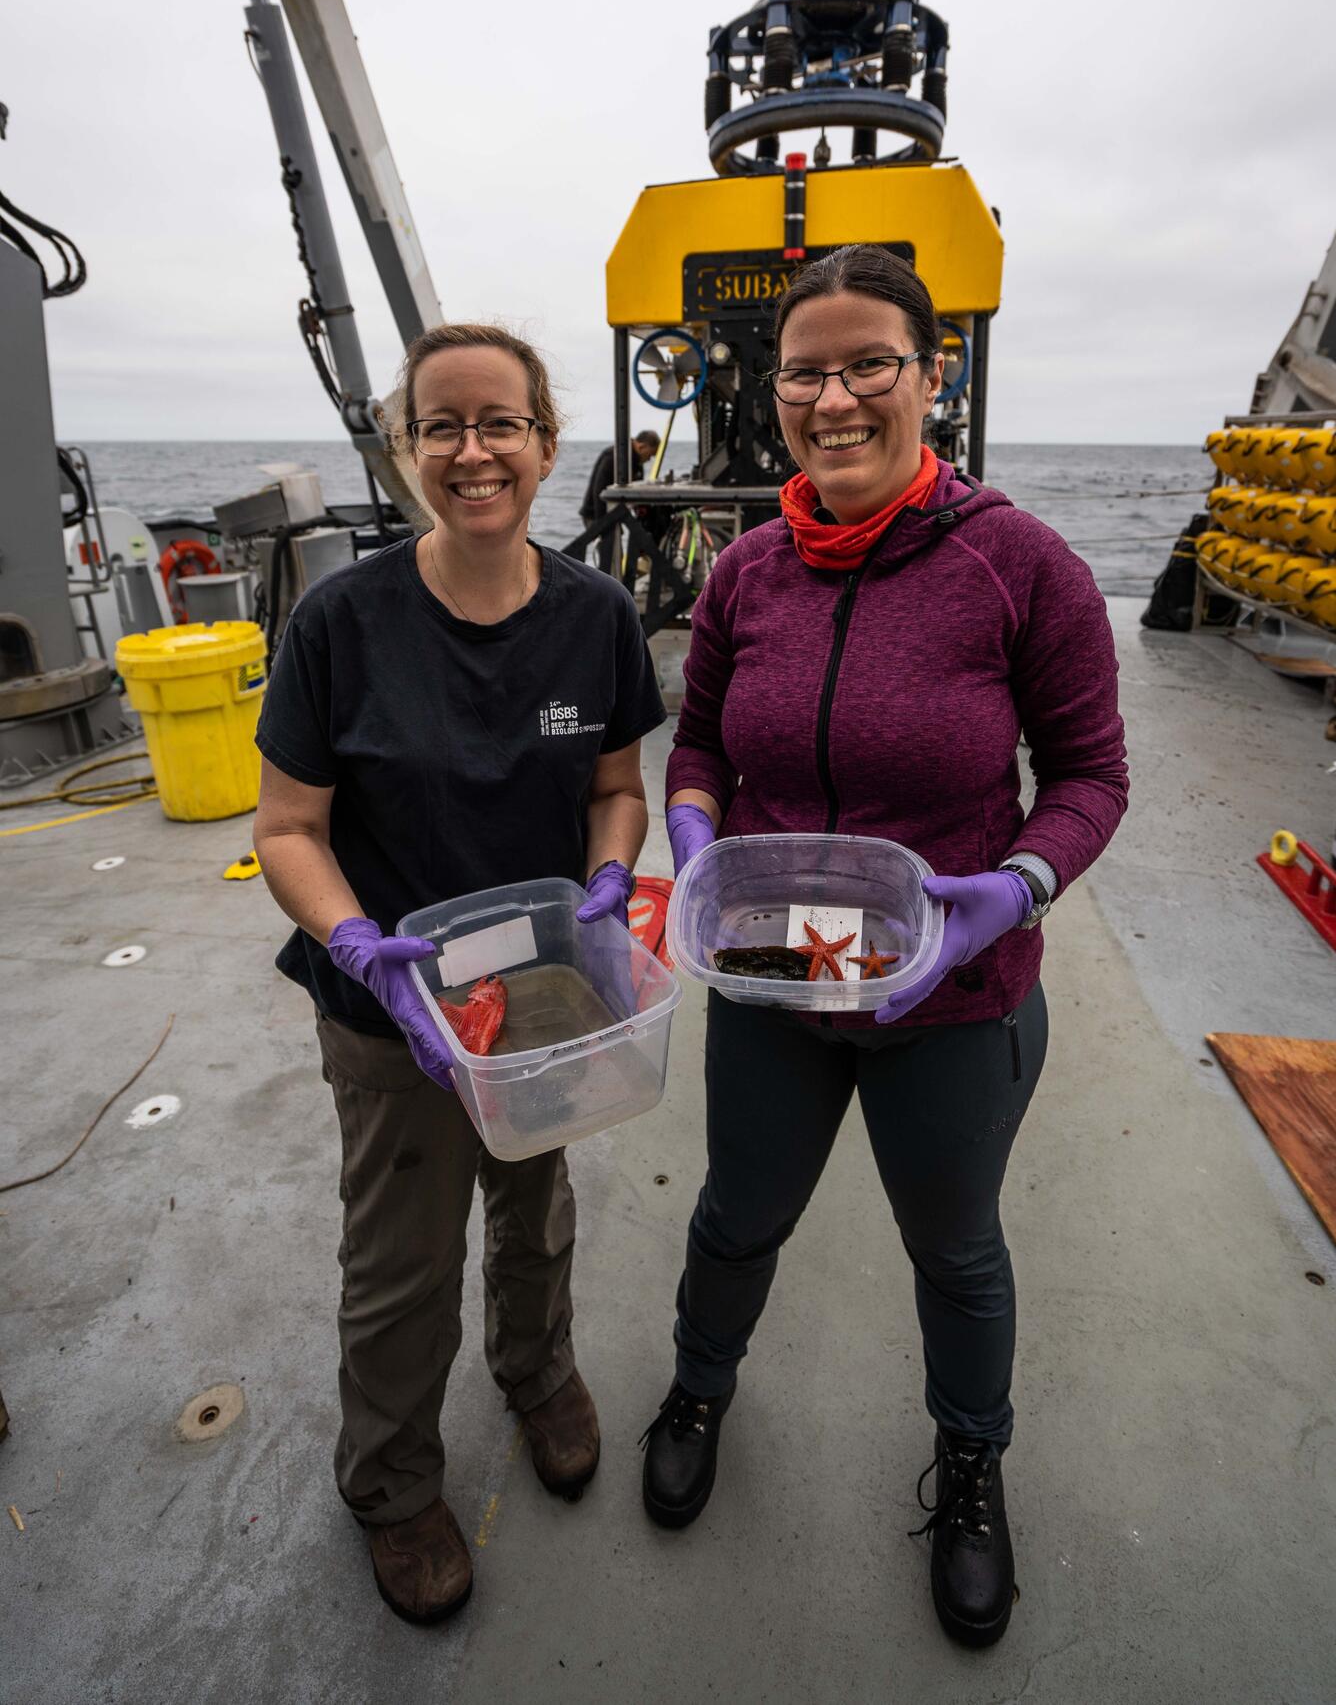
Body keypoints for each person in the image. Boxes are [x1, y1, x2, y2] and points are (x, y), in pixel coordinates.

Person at [642, 246, 1128, 1650]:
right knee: (738, 1215)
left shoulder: (1019, 564)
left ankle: (972, 1465)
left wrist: (1013, 887)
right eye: (805, 370)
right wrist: (692, 830)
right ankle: (697, 1387)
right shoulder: (744, 572)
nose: (835, 396)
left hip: (953, 989)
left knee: (956, 1251)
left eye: (870, 364)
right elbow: (703, 741)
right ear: (772, 388)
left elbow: (1091, 773)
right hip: (779, 972)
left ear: (933, 375)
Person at [251, 322, 665, 1627]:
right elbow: (287, 829)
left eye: (501, 423)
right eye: (443, 425)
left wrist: (609, 879)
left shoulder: (596, 615)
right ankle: (390, 1482)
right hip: (393, 1015)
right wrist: (359, 945)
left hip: (544, 999)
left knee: (536, 1211)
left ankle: (537, 1373)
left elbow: (615, 787)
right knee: (402, 1259)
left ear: (548, 444)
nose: (473, 450)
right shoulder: (340, 622)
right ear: (405, 449)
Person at [581, 430, 661, 573]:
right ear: (642, 447)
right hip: (595, 514)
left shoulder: (636, 463)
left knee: (616, 556)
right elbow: (598, 492)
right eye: (650, 455)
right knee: (611, 557)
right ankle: (605, 590)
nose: (650, 459)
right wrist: (602, 525)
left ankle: (614, 585)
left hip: (614, 514)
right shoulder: (613, 457)